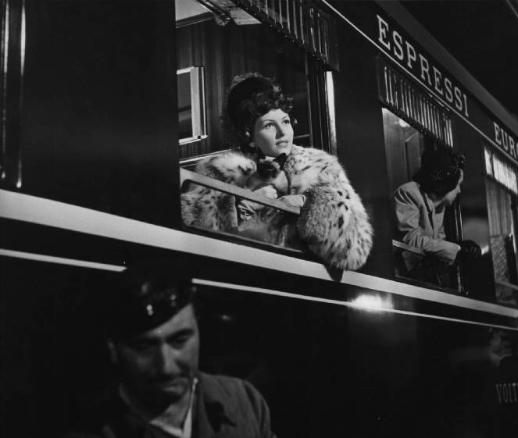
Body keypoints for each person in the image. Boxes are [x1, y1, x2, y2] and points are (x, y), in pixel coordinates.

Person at [181, 73, 372, 271]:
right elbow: (195, 239)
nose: (283, 133)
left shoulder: (320, 168)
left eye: (286, 122)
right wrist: (242, 206)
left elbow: (351, 252)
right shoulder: (218, 171)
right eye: (269, 125)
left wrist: (308, 203)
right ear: (249, 134)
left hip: (304, 284)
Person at [65, 266, 276, 438]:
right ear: (113, 349)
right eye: (144, 347)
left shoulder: (243, 400)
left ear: (199, 333)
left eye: (180, 340)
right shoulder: (89, 431)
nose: (166, 366)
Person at [393, 146, 480, 284]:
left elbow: (438, 245)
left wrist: (461, 247)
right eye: (458, 185)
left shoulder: (439, 208)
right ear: (447, 182)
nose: (459, 191)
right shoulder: (408, 193)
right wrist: (456, 250)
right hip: (400, 281)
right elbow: (410, 241)